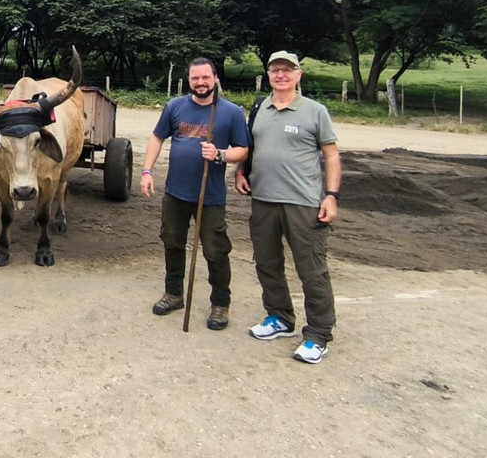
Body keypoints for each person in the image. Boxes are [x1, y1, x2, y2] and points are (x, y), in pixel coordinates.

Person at [234, 50, 341, 364]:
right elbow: (251, 149)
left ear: (298, 75)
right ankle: (279, 317)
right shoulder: (259, 109)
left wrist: (331, 195)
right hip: (263, 199)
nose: (281, 75)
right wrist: (241, 171)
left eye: (287, 70)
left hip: (304, 203)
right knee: (267, 263)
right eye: (275, 70)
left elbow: (331, 155)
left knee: (311, 270)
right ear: (268, 75)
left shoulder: (315, 111)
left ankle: (318, 334)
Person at [139, 58, 250, 330]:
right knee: (172, 243)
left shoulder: (230, 112)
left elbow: (244, 150)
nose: (200, 83)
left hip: (210, 197)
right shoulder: (175, 107)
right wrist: (146, 171)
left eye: (205, 77)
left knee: (215, 251)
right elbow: (157, 138)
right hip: (176, 192)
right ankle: (174, 293)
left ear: (215, 79)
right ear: (188, 80)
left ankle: (220, 304)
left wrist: (220, 154)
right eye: (195, 78)